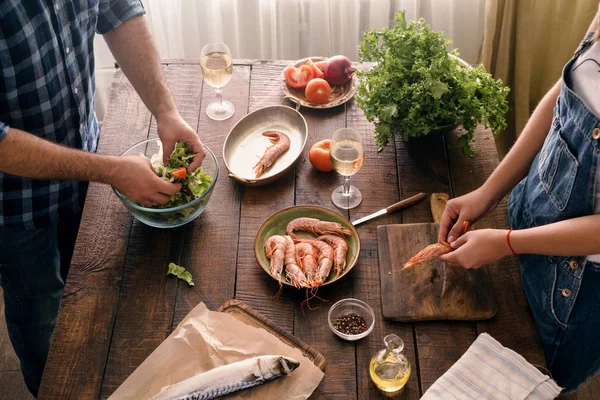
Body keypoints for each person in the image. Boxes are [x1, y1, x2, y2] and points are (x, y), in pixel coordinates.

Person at [0, 1, 205, 396]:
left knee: (95, 298)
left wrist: (166, 111)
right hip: (13, 206)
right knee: (39, 316)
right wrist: (109, 170)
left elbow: (118, 10)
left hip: (85, 162)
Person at [437, 4, 600, 393]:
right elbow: (564, 93)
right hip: (526, 215)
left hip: (574, 289)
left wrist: (507, 243)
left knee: (531, 382)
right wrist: (488, 193)